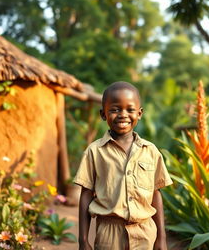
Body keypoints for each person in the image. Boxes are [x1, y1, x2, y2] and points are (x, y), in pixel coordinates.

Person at [74, 81, 172, 250]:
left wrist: (161, 238)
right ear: (103, 114)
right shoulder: (95, 151)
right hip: (108, 234)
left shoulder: (151, 151)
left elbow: (156, 194)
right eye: (115, 109)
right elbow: (86, 195)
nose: (123, 114)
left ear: (140, 113)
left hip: (145, 232)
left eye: (130, 109)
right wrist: (83, 240)